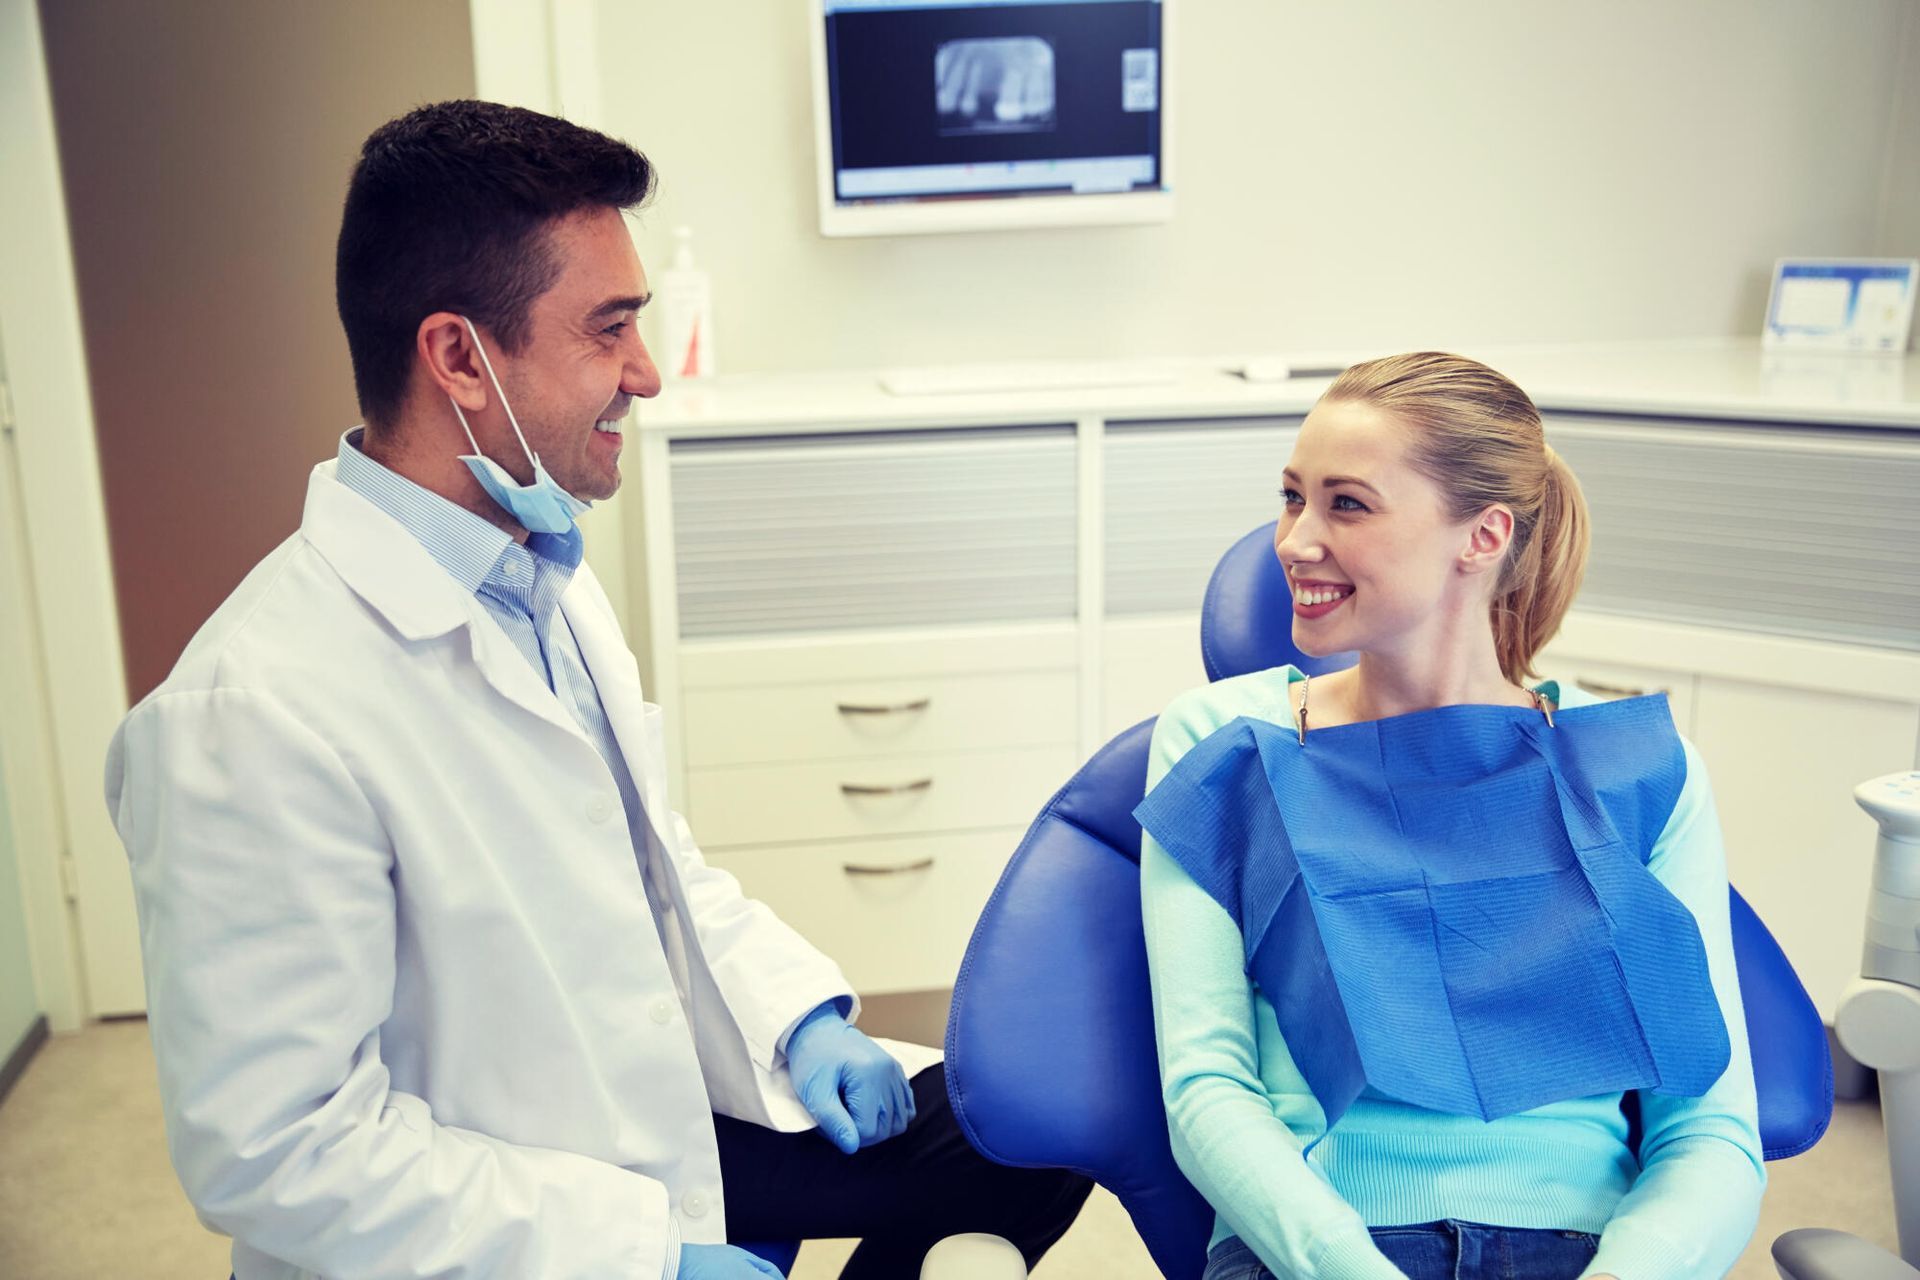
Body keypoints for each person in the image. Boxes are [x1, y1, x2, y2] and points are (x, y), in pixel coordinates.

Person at [104, 99, 1088, 1280]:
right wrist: (643, 1259)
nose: (647, 374)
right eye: (609, 328)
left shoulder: (540, 574)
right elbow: (278, 1153)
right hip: (506, 1211)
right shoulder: (248, 713)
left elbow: (657, 874)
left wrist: (795, 1015)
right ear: (461, 357)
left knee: (1044, 1122)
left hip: (645, 1115)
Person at [1133, 353, 1763, 1280]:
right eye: (1291, 498)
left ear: (1483, 536)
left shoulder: (1631, 768)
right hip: (1320, 1253)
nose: (1295, 541)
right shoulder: (1227, 739)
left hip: (1589, 1254)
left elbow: (1710, 1128)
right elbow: (1207, 1090)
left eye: (1346, 504)